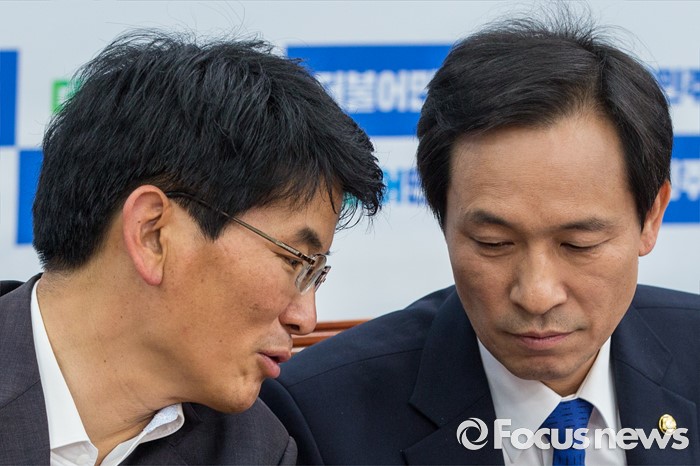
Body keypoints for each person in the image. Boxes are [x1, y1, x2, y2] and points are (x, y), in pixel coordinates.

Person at [260, 12, 700, 466]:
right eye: (493, 243)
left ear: (651, 216)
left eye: (578, 245)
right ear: (444, 219)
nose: (536, 295)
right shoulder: (317, 418)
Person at [0, 30, 384, 465]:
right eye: (294, 260)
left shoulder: (255, 451)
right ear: (153, 234)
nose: (305, 318)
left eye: (316, 272)